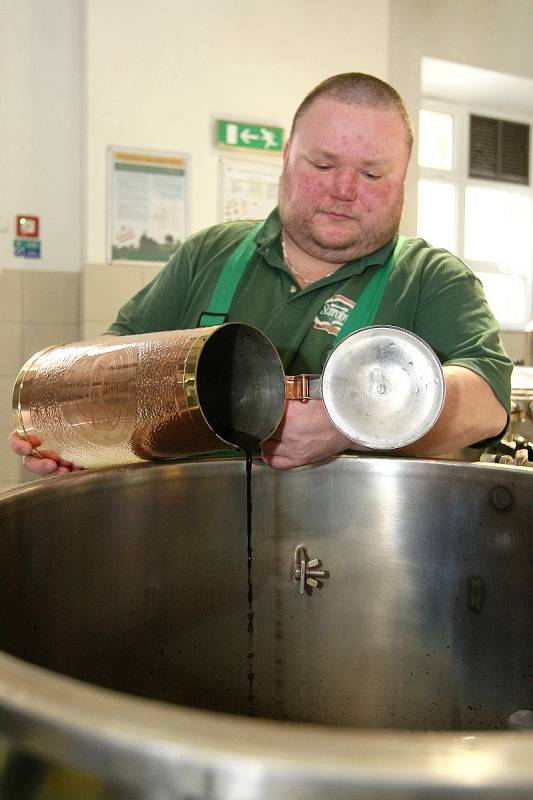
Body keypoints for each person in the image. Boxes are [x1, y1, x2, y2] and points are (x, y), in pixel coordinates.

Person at [9, 72, 512, 475]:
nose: (342, 188)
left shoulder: (432, 278)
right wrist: (72, 432)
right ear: (286, 157)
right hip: (186, 542)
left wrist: (354, 424)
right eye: (322, 164)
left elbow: (485, 402)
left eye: (372, 174)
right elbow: (112, 361)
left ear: (403, 180)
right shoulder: (209, 253)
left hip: (356, 558)